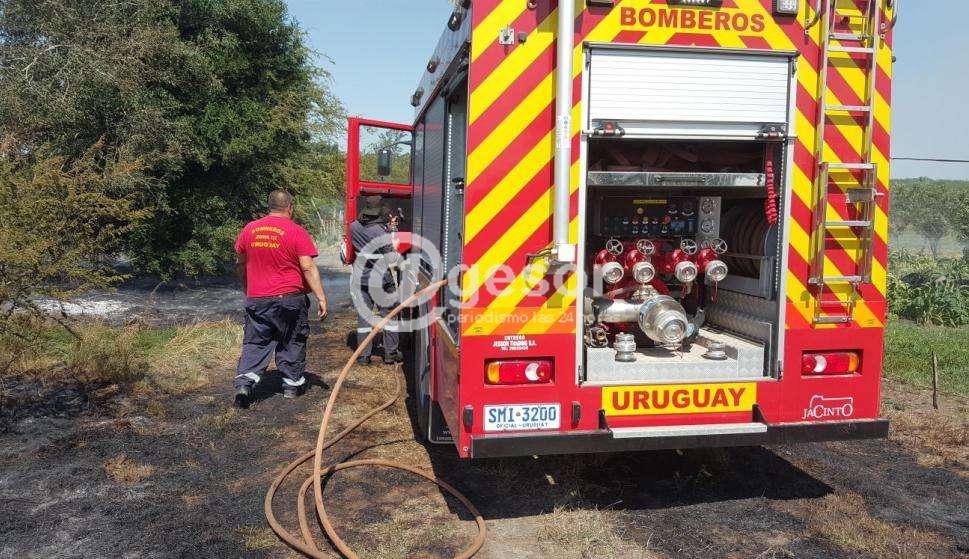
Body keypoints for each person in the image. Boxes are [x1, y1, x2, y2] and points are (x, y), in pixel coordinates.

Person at [233, 190, 329, 407]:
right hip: (290, 299)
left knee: (256, 342)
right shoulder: (296, 231)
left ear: (269, 206)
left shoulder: (250, 229)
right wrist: (321, 297)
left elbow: (240, 263)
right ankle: (291, 386)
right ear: (290, 207)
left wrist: (248, 287)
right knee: (292, 339)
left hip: (258, 298)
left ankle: (244, 385)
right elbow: (307, 266)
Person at [351, 196, 402, 366]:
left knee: (364, 317)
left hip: (361, 279)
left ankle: (364, 355)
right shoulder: (380, 232)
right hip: (381, 280)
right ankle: (390, 353)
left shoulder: (354, 226)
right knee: (389, 315)